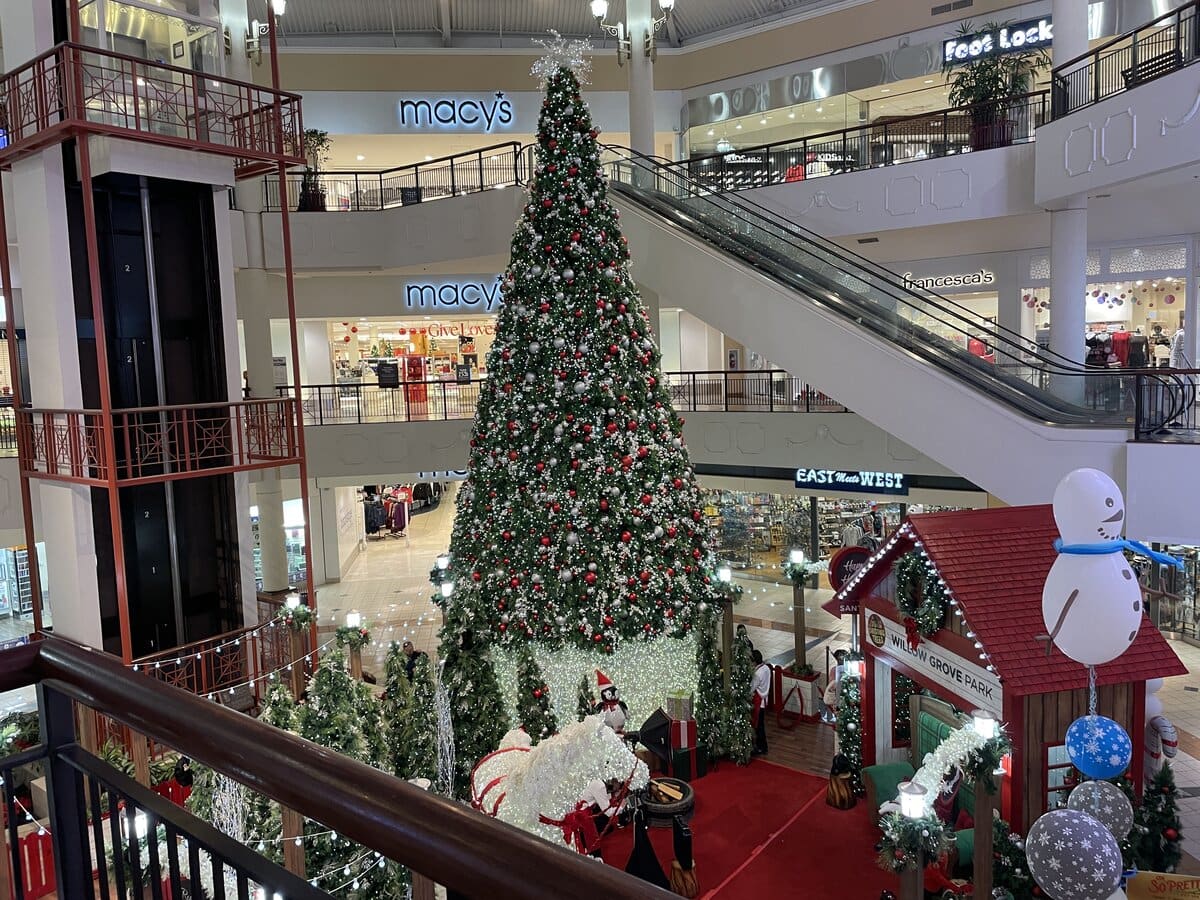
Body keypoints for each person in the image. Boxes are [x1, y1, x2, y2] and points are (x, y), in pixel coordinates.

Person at [595, 669, 628, 734]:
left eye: (614, 694)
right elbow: (596, 715)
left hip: (620, 730)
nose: (613, 696)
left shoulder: (620, 704)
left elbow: (627, 714)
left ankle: (618, 730)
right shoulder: (603, 706)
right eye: (610, 694)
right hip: (607, 731)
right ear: (604, 694)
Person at [751, 649, 771, 756]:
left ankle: (761, 747)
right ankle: (762, 746)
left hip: (759, 701)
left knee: (759, 726)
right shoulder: (766, 668)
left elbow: (752, 688)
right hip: (764, 698)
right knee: (761, 725)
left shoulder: (757, 673)